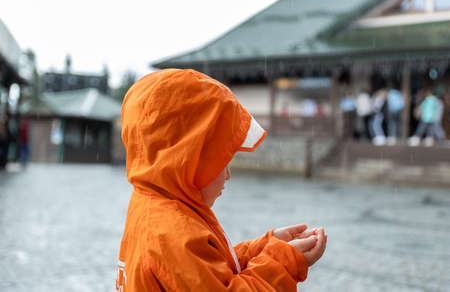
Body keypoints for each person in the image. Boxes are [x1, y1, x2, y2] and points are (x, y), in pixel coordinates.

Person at [116, 69, 327, 292]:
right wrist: (284, 262)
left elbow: (206, 272)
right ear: (190, 160)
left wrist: (264, 247)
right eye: (220, 160)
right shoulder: (171, 235)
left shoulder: (154, 208)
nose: (227, 174)